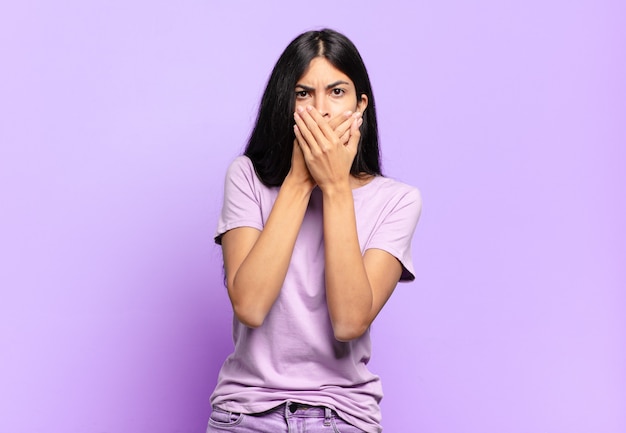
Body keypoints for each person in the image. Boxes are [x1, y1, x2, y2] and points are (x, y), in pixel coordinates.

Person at [207, 29, 422, 433]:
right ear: (285, 104)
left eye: (336, 92)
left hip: (342, 417)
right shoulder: (247, 178)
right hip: (244, 415)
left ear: (360, 106)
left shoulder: (398, 201)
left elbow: (349, 322)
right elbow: (250, 306)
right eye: (303, 94)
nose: (320, 111)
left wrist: (337, 187)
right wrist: (301, 180)